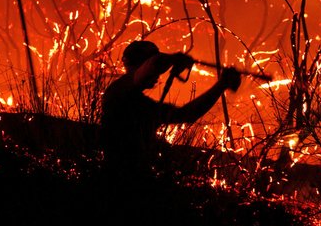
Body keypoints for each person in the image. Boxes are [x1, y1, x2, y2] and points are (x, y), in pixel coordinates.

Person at [100, 40, 242, 180]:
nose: (158, 75)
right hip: (120, 179)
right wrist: (172, 59)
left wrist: (221, 85)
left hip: (132, 178)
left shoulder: (142, 104)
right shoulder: (117, 92)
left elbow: (187, 114)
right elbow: (149, 68)